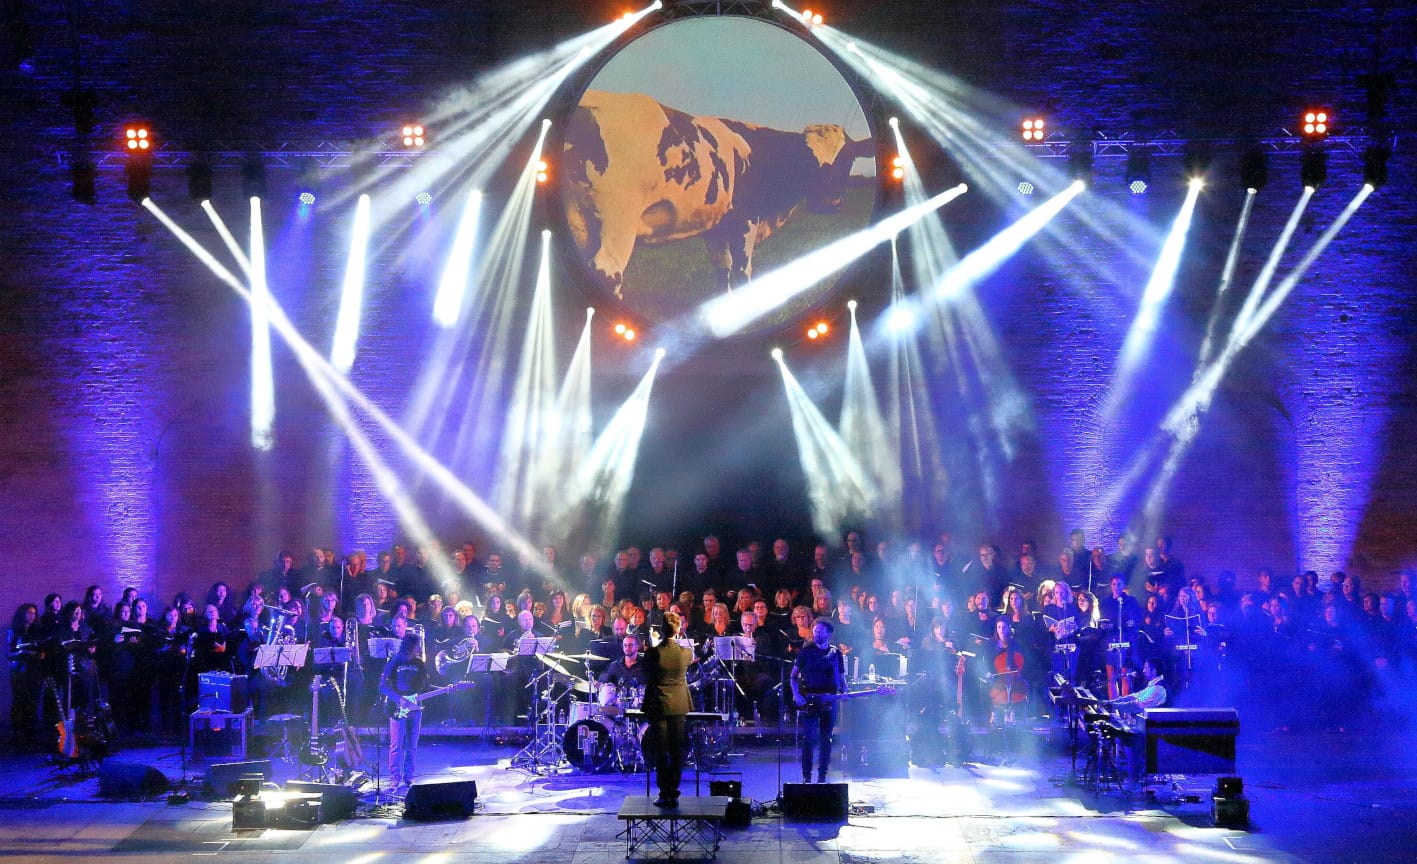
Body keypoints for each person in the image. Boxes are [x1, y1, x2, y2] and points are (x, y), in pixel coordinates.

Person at [641, 610, 693, 808]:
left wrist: (655, 644)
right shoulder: (687, 653)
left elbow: (647, 674)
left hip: (658, 705)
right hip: (679, 704)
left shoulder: (653, 653)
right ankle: (674, 791)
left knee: (661, 751)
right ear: (678, 630)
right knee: (677, 750)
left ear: (661, 630)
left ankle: (665, 793)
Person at [791, 617, 847, 784]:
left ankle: (822, 775)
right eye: (815, 631)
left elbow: (841, 677)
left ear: (829, 634)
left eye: (820, 631)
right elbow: (793, 676)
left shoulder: (836, 654)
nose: (816, 633)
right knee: (808, 739)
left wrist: (845, 691)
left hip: (829, 700)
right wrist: (796, 694)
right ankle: (806, 775)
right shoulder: (806, 651)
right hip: (810, 700)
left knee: (826, 739)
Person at [378, 631, 429, 793]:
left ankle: (408, 777)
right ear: (411, 646)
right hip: (396, 707)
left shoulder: (419, 663)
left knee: (412, 744)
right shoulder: (394, 661)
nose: (419, 648)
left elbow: (426, 686)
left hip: (415, 707)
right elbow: (382, 687)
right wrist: (398, 699)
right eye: (417, 645)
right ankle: (394, 778)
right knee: (396, 744)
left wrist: (446, 689)